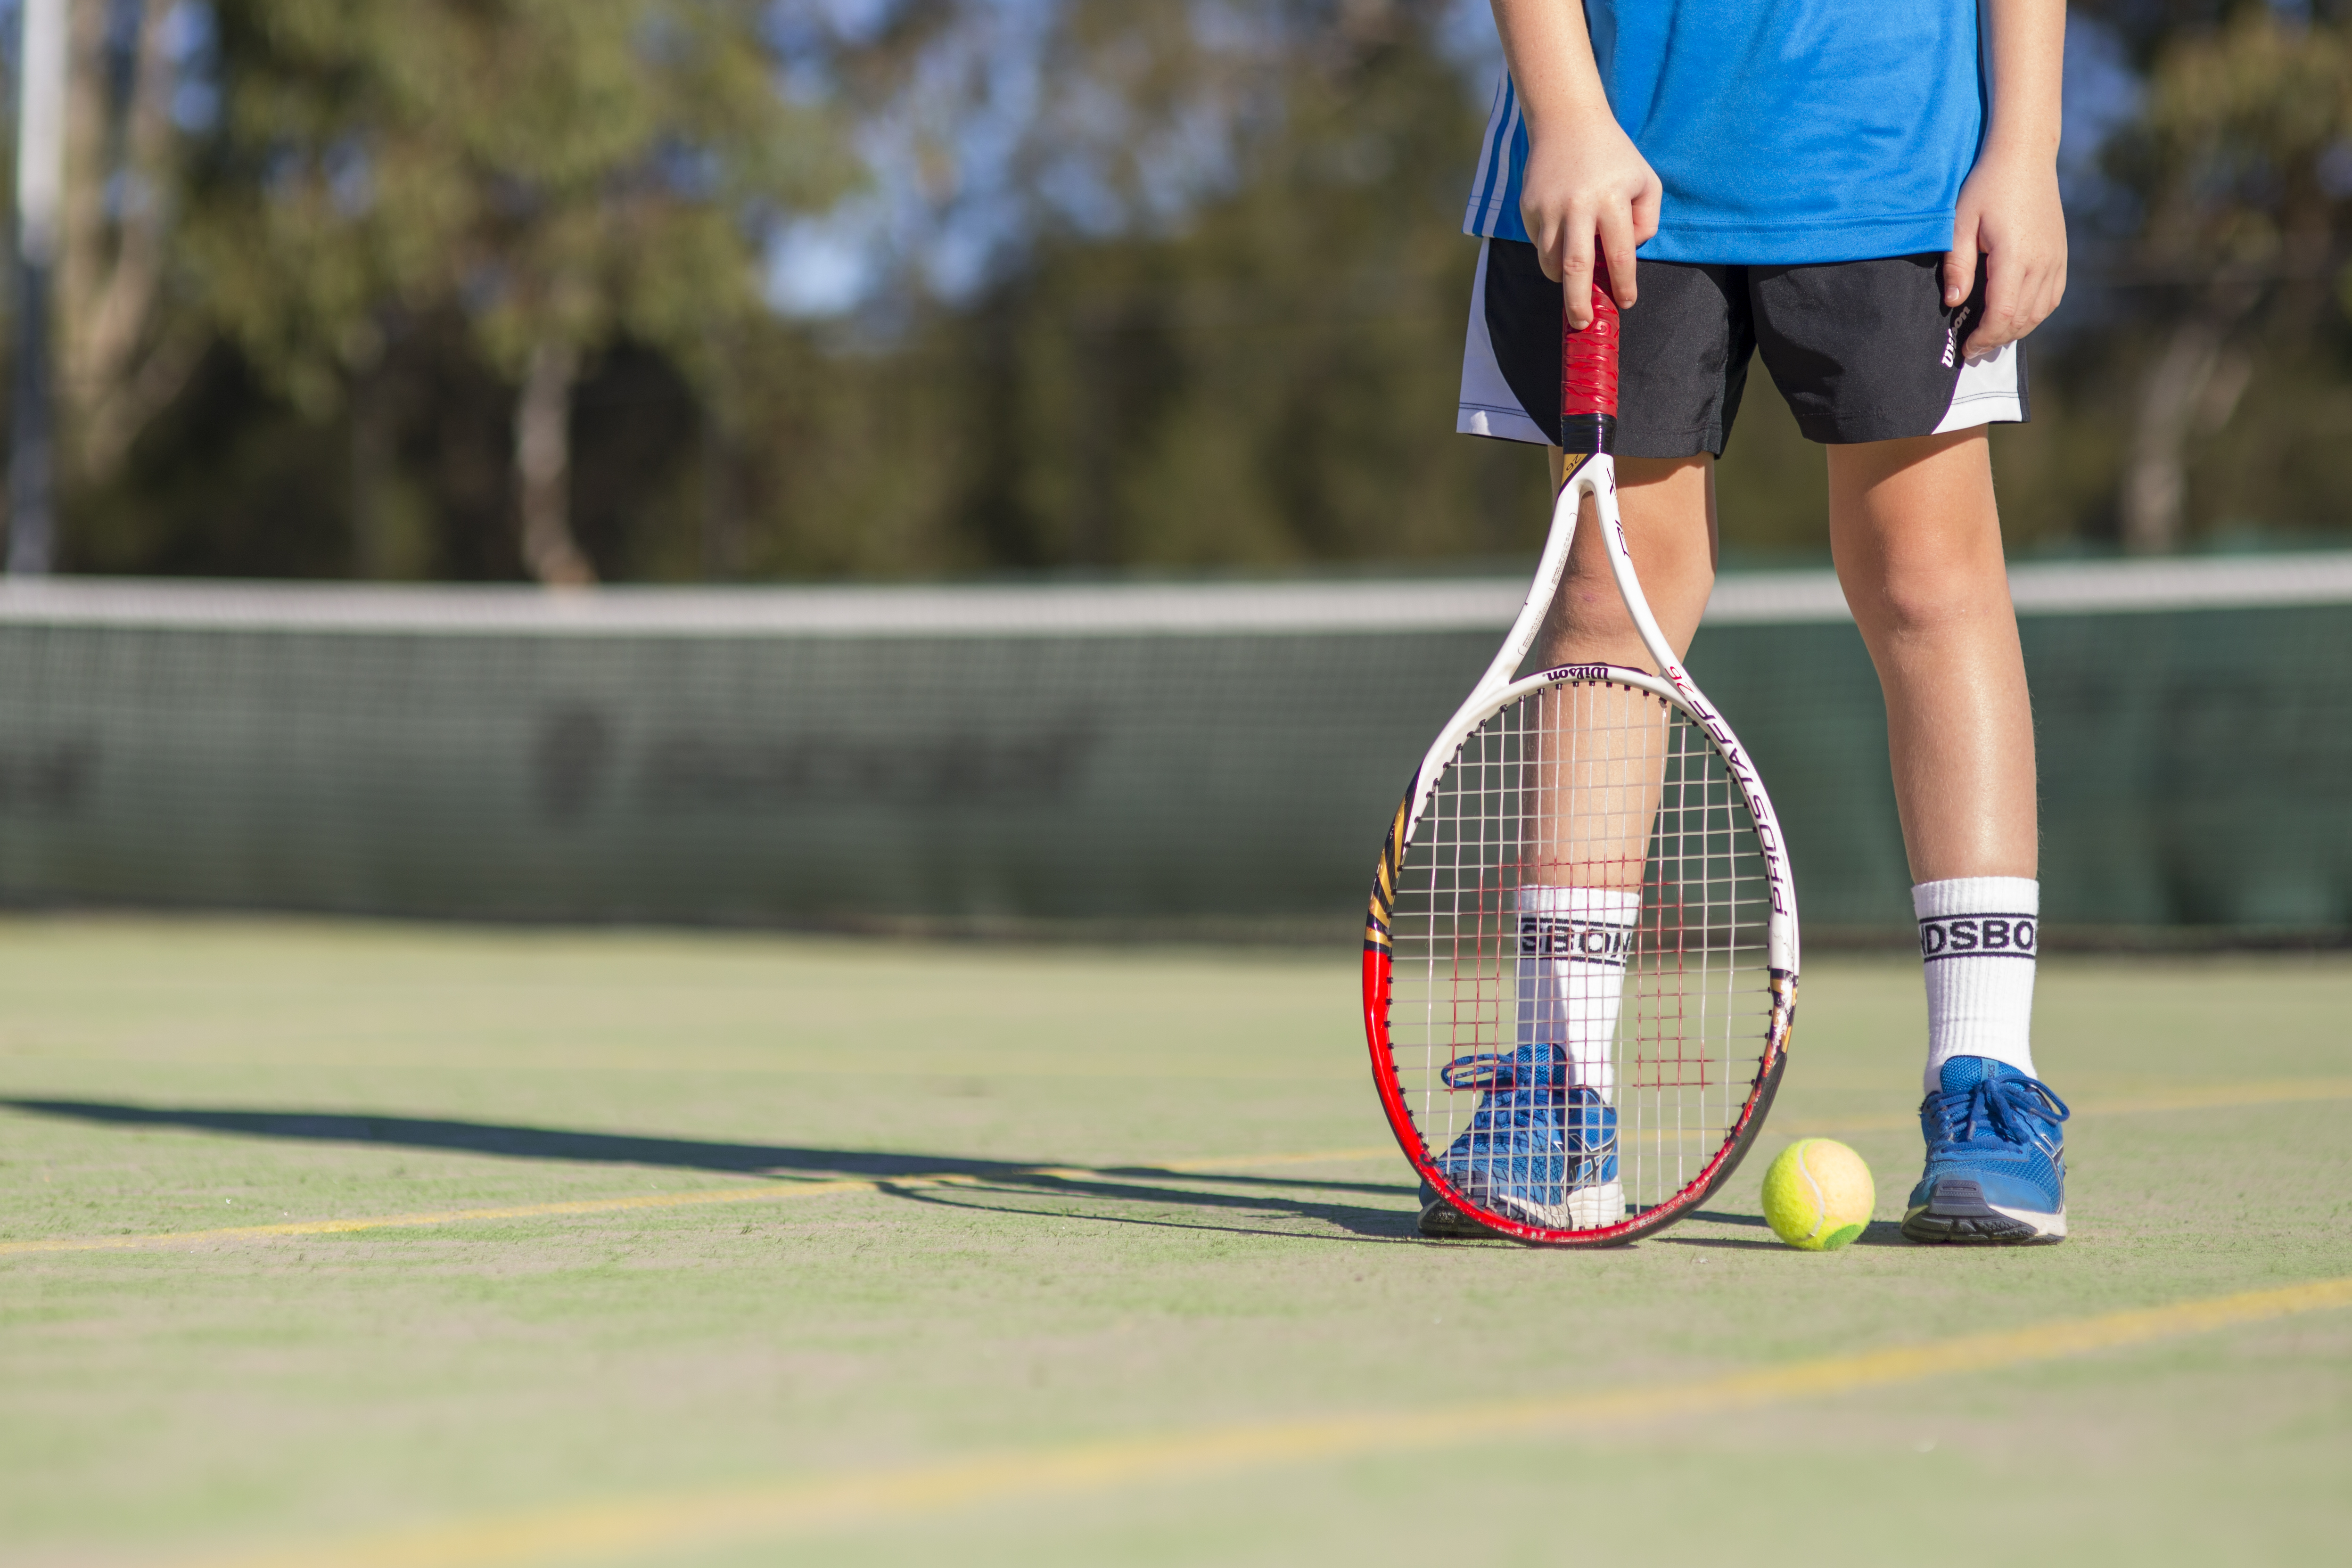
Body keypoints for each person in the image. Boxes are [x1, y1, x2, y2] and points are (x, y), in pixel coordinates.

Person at [1443, 0, 2073, 1243]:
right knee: (1606, 599)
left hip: (1902, 157)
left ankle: (1989, 1079)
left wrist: (2027, 147)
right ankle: (1561, 1088)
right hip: (1614, 159)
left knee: (1928, 583)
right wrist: (1566, 114)